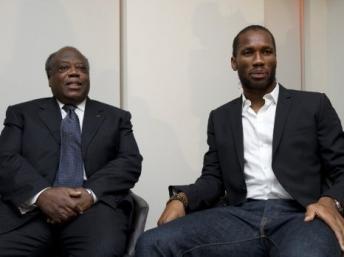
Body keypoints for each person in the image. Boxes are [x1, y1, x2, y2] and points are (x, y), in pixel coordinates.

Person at [135, 25, 344, 257]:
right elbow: (213, 179)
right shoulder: (221, 117)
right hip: (240, 216)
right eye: (248, 52)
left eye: (266, 52)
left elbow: (341, 168)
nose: (258, 60)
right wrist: (180, 198)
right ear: (234, 62)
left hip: (301, 215)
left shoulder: (314, 105)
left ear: (275, 59)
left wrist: (329, 201)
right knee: (151, 243)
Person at [0, 46, 142, 257]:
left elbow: (129, 161)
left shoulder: (116, 117)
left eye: (81, 68)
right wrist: (42, 195)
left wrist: (89, 194)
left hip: (94, 212)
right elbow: (5, 158)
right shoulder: (22, 114)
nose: (74, 72)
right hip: (31, 213)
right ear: (49, 78)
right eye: (64, 68)